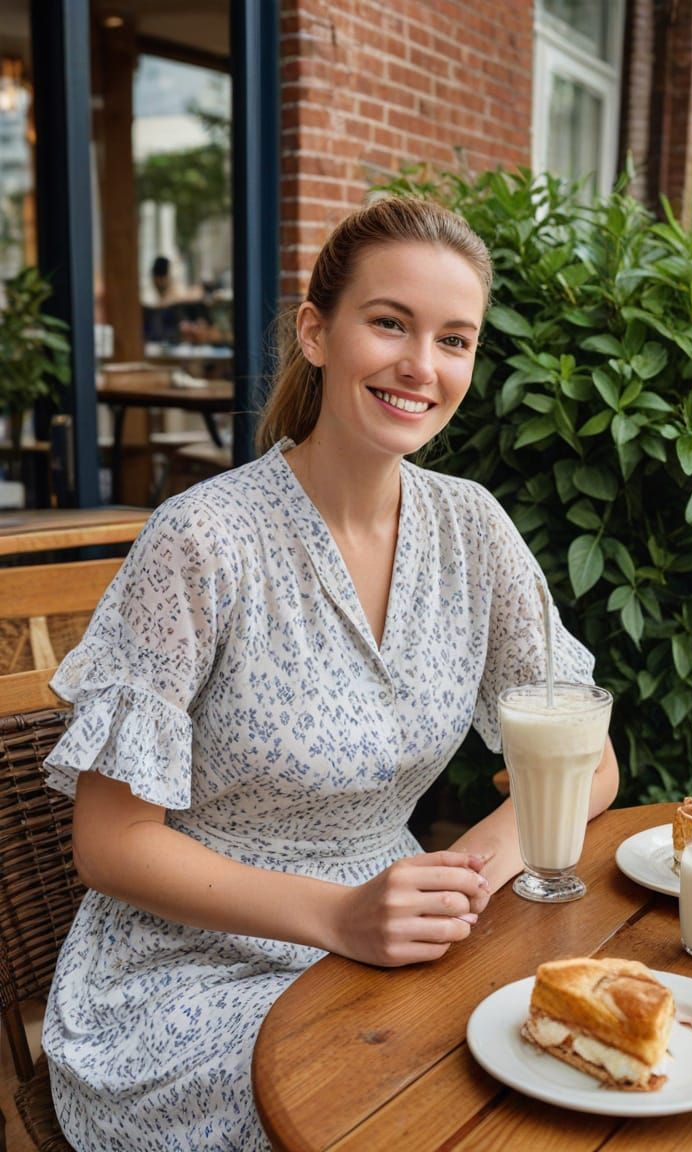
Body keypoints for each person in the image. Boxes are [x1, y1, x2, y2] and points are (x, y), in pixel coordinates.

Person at [42, 196, 619, 1151]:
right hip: (186, 976)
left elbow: (586, 763)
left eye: (454, 340)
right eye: (389, 322)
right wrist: (340, 917)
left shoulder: (474, 530)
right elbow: (109, 844)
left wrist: (458, 886)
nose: (420, 367)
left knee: (540, 1083)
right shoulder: (204, 539)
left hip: (393, 941)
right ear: (317, 332)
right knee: (404, 1110)